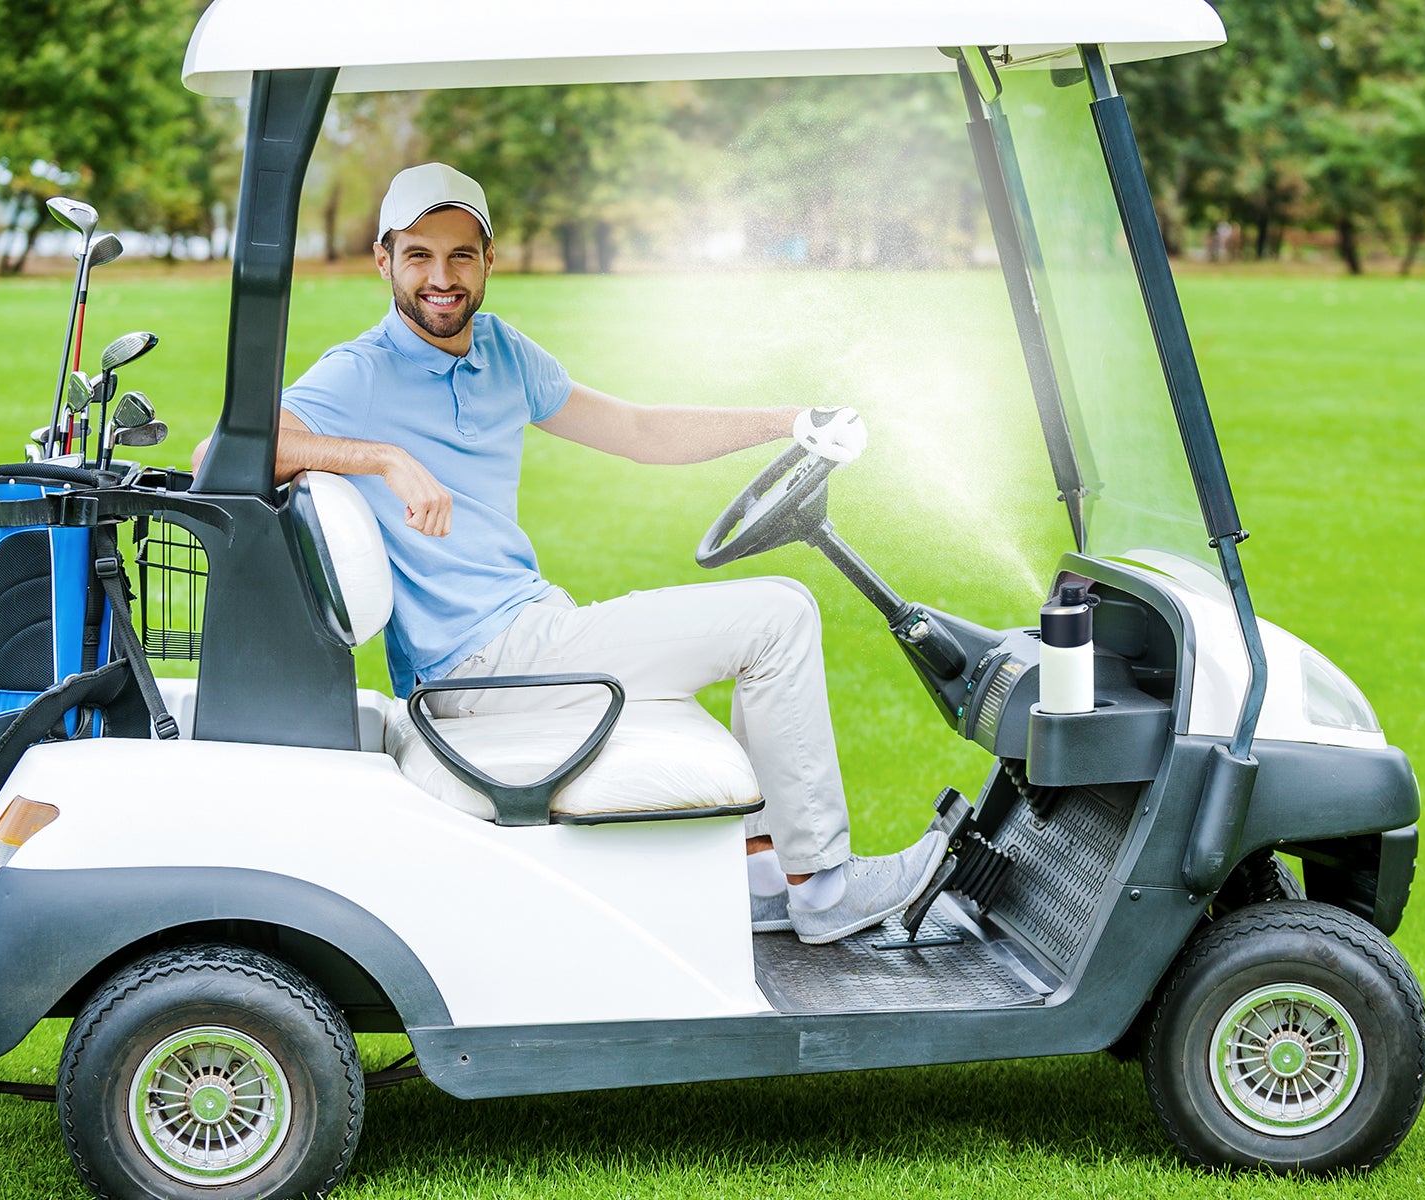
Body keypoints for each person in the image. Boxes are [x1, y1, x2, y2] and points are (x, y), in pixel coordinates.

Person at [269, 162, 944, 944]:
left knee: (756, 633)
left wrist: (788, 419)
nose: (441, 278)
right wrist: (384, 458)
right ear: (384, 260)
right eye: (419, 254)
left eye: (460, 255)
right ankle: (825, 889)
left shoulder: (502, 353)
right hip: (478, 670)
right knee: (779, 614)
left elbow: (636, 431)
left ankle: (762, 879)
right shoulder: (361, 372)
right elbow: (230, 447)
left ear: (490, 261)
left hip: (531, 640)